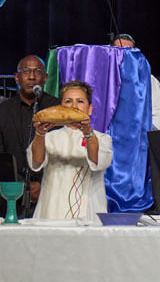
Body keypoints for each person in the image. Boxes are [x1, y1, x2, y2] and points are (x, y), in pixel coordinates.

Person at [28, 80, 113, 219]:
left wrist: (87, 132)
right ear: (61, 107)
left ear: (90, 108)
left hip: (89, 213)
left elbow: (98, 161)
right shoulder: (49, 137)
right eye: (68, 101)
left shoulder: (102, 139)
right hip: (52, 211)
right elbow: (36, 162)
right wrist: (40, 133)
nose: (74, 105)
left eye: (80, 101)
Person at [0, 55, 60, 214]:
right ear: (17, 77)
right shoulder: (3, 111)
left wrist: (42, 184)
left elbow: (61, 154)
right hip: (9, 196)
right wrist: (22, 187)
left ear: (45, 78)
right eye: (26, 71)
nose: (32, 77)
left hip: (51, 194)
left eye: (37, 72)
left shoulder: (57, 109)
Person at [112, 34, 160, 130]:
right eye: (119, 50)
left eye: (128, 51)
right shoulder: (102, 78)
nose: (123, 55)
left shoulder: (147, 80)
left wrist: (145, 133)